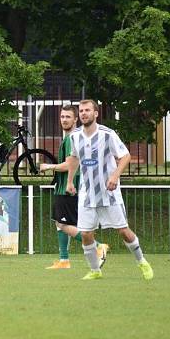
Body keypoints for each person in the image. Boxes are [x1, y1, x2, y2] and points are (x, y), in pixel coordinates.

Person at [65, 100, 154, 281]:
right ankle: (95, 270)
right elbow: (74, 158)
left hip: (109, 194)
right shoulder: (74, 136)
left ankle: (142, 261)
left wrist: (114, 176)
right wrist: (69, 182)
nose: (83, 114)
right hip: (87, 194)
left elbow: (125, 155)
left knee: (123, 230)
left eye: (87, 110)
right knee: (86, 234)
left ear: (95, 113)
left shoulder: (107, 134)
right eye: (81, 111)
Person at [41, 105, 109, 269]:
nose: (64, 120)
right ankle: (64, 260)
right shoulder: (75, 137)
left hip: (67, 187)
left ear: (75, 119)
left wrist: (49, 167)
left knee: (64, 225)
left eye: (68, 117)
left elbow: (70, 165)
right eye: (62, 117)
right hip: (68, 186)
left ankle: (99, 246)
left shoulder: (72, 138)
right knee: (60, 223)